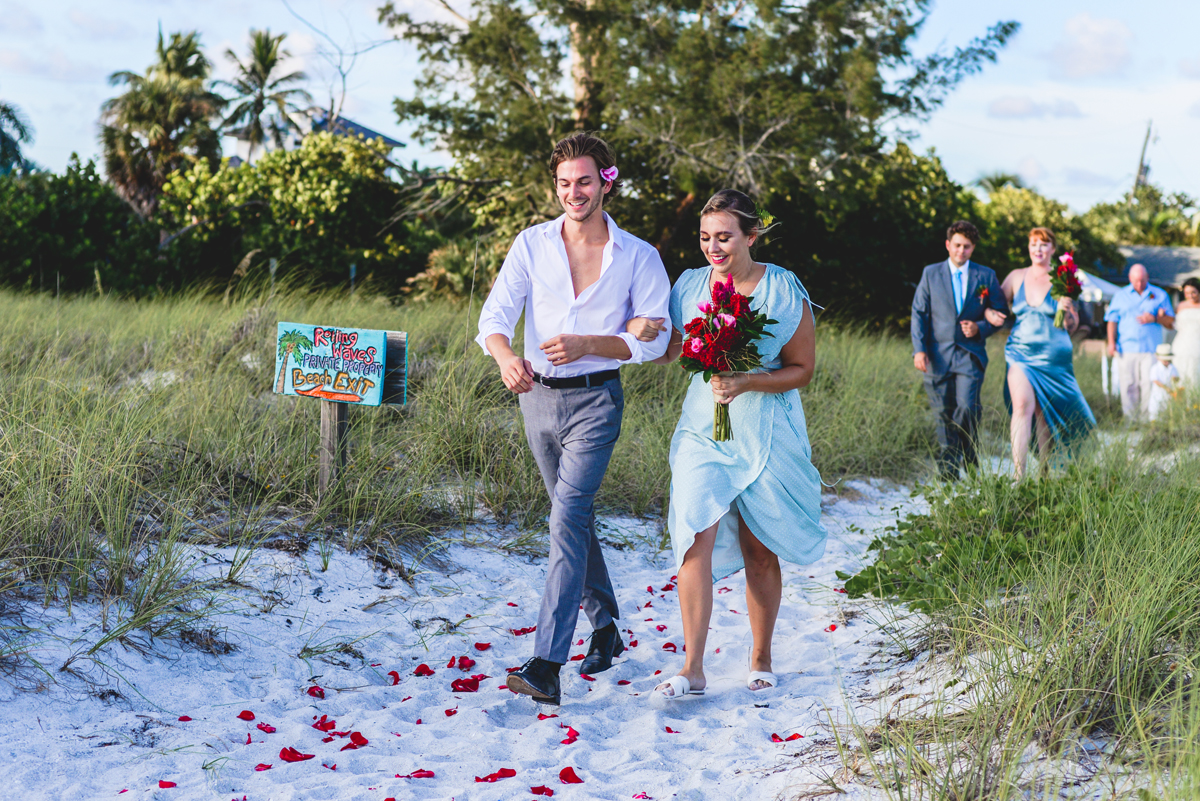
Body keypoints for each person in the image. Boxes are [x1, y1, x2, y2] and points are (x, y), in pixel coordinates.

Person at [476, 133, 672, 706]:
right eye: (564, 182)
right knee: (572, 521)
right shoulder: (531, 244)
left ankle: (546, 662)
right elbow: (495, 316)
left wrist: (591, 341)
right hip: (535, 399)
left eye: (584, 180)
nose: (573, 192)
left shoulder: (638, 256)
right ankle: (606, 626)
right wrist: (507, 356)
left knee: (566, 518)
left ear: (607, 180)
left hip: (596, 403)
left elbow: (653, 335)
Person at [630, 189, 824, 699]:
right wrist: (645, 333)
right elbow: (671, 352)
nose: (713, 248)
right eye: (704, 238)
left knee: (759, 550)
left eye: (724, 237)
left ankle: (760, 655)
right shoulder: (689, 285)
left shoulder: (782, 289)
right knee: (694, 532)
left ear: (751, 236)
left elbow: (802, 370)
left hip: (766, 431)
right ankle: (693, 665)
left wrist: (747, 381)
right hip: (702, 429)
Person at [910, 221, 1010, 480]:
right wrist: (919, 350)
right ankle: (949, 472)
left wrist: (980, 327)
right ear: (948, 245)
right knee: (943, 412)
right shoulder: (931, 274)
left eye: (966, 247)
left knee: (967, 408)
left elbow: (1002, 314)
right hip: (936, 355)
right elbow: (919, 313)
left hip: (970, 354)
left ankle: (969, 456)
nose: (961, 251)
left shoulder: (985, 276)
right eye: (957, 245)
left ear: (973, 248)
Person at [997, 228, 1096, 480]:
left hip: (1054, 356)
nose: (1038, 249)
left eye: (1043, 244)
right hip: (1019, 351)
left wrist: (1068, 309)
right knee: (1021, 406)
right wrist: (988, 314)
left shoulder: (1064, 279)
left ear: (1053, 249)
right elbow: (995, 305)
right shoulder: (1016, 277)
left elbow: (1072, 325)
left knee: (1045, 414)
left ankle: (1044, 471)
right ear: (1028, 247)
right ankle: (1019, 477)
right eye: (1033, 244)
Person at [1104, 263, 1175, 420]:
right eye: (1136, 280)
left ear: (1147, 278)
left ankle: (1146, 420)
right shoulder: (1120, 295)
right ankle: (1131, 420)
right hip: (1127, 347)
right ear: (1130, 278)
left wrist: (1155, 318)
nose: (1139, 283)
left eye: (1142, 280)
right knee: (1128, 385)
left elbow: (1171, 322)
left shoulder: (1160, 294)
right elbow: (1112, 320)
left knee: (1148, 385)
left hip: (1151, 348)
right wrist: (1111, 342)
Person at [1171, 277, 1200, 388]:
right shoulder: (1179, 306)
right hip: (1181, 345)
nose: (1190, 296)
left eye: (1193, 292)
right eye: (1187, 293)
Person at [1148, 344, 1180, 421]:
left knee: (1166, 413)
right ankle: (1154, 428)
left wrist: (1175, 379)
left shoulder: (1172, 367)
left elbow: (1177, 378)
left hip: (1168, 395)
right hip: (1157, 394)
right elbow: (1155, 380)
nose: (1166, 361)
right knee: (1155, 412)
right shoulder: (1155, 368)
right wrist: (1166, 388)